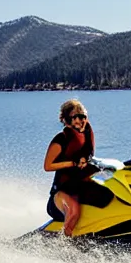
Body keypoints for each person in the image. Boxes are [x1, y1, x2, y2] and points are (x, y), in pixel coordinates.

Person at [44, 99, 95, 236]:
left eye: (83, 116)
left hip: (80, 187)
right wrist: (72, 163)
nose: (80, 120)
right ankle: (66, 247)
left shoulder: (87, 135)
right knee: (73, 211)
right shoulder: (61, 139)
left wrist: (86, 161)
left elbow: (89, 154)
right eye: (75, 117)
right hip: (60, 194)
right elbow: (48, 166)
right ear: (67, 120)